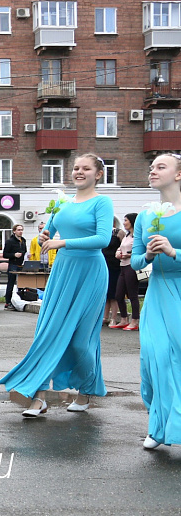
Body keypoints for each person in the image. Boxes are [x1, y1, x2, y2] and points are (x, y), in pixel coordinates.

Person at [0, 154, 113, 417]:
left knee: (81, 342)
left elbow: (103, 239)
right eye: (76, 168)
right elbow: (47, 231)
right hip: (62, 272)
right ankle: (38, 398)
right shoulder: (62, 202)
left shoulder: (102, 201)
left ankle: (85, 391)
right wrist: (45, 234)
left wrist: (63, 242)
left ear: (98, 174)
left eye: (86, 168)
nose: (79, 172)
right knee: (47, 334)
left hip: (90, 273)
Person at [132, 152, 181, 449]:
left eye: (161, 167)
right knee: (153, 357)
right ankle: (159, 426)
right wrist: (149, 255)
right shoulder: (145, 216)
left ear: (178, 174)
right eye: (151, 166)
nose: (153, 171)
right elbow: (137, 262)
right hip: (157, 293)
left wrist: (174, 251)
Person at [113, 213, 140, 330]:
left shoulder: (138, 236)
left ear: (132, 221)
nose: (124, 223)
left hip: (131, 266)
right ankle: (124, 319)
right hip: (122, 266)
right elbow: (119, 248)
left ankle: (135, 320)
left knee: (132, 294)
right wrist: (118, 253)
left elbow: (139, 250)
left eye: (126, 220)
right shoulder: (126, 236)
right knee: (118, 295)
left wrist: (127, 255)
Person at [101, 216, 125, 326]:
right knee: (106, 293)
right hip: (104, 265)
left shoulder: (118, 233)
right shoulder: (101, 233)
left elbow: (125, 246)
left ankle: (114, 318)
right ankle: (105, 316)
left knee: (113, 294)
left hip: (115, 266)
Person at [2, 224, 27, 310]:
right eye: (19, 230)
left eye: (21, 230)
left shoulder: (23, 240)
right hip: (13, 264)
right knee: (11, 284)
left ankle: (20, 301)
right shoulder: (10, 241)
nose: (20, 231)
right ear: (14, 231)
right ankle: (7, 302)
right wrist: (14, 255)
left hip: (21, 264)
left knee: (22, 284)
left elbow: (25, 251)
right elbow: (5, 254)